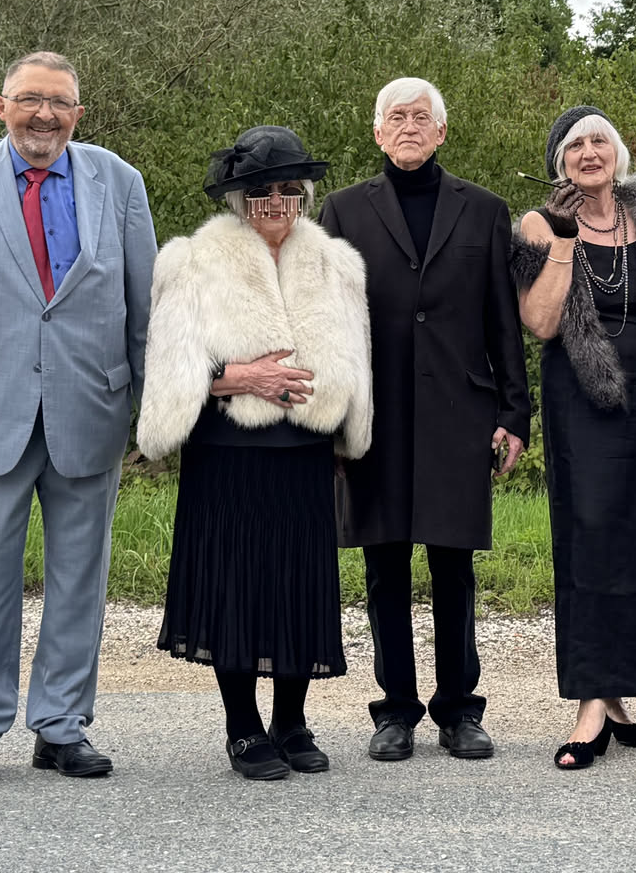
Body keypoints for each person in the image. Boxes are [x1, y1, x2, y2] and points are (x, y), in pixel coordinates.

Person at [0, 52, 157, 785]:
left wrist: (157, 411)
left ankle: (61, 726)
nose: (44, 115)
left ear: (78, 114)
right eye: (29, 100)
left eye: (59, 103)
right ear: (1, 106)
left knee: (81, 576)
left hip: (93, 406)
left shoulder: (119, 180)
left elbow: (145, 307)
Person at [137, 126, 372, 781]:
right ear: (240, 199)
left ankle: (292, 722)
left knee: (298, 584)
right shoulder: (191, 262)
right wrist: (237, 377)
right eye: (262, 190)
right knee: (234, 585)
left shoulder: (336, 263)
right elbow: (169, 366)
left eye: (288, 189)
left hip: (305, 451)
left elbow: (358, 356)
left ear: (304, 196)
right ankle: (243, 726)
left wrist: (350, 429)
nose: (276, 202)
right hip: (227, 452)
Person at [321, 77, 532, 762]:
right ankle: (396, 711)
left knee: (453, 566)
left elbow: (502, 319)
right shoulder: (343, 210)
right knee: (384, 566)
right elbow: (328, 323)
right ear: (377, 132)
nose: (408, 126)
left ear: (441, 131)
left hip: (458, 412)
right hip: (373, 415)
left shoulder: (484, 210)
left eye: (421, 116)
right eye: (396, 116)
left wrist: (515, 411)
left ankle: (459, 710)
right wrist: (332, 418)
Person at [511, 106, 636, 769]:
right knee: (591, 538)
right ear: (558, 161)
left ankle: (618, 695)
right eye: (575, 146)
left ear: (617, 152)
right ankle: (590, 701)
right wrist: (565, 237)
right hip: (583, 394)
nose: (589, 152)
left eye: (600, 141)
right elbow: (540, 322)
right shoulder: (538, 223)